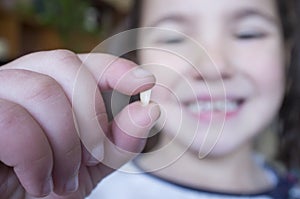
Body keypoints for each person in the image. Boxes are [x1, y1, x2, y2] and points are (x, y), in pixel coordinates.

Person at [0, 1, 298, 199]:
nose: (213, 66)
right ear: (138, 58)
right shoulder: (71, 191)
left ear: (287, 54)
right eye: (172, 39)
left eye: (248, 34)